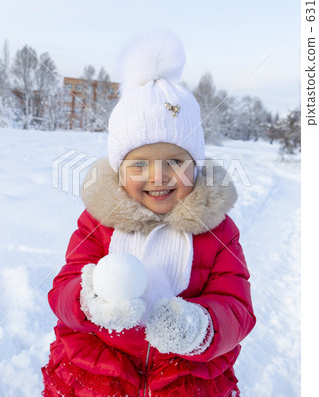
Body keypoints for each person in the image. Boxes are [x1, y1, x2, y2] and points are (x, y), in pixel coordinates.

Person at [42, 31, 256, 396]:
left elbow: (237, 306)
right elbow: (63, 288)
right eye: (139, 163)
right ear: (119, 171)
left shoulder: (217, 230)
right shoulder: (98, 224)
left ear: (196, 165)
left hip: (186, 380)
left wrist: (199, 325)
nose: (158, 176)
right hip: (96, 374)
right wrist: (87, 297)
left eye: (174, 160)